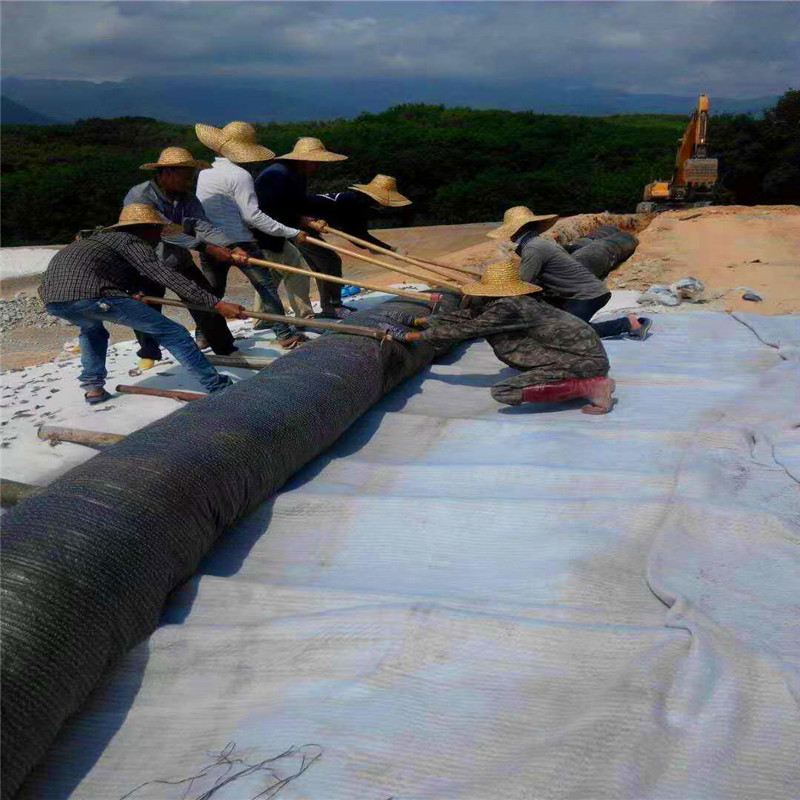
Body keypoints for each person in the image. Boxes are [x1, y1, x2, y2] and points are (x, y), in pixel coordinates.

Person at [39, 204, 247, 404]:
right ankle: (219, 387)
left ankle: (93, 389)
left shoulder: (99, 242)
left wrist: (131, 292)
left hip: (55, 301)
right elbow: (165, 274)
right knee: (174, 333)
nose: (159, 237)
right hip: (93, 295)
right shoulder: (130, 240)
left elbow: (107, 272)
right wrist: (216, 304)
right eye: (158, 230)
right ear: (146, 228)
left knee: (93, 332)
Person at [386, 259, 616, 414]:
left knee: (504, 392)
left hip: (582, 361)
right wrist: (419, 321)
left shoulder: (509, 308)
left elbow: (467, 329)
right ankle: (588, 380)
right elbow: (469, 317)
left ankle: (591, 387)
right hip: (583, 356)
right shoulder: (515, 301)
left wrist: (412, 337)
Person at [124, 146, 248, 369]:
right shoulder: (141, 196)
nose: (188, 182)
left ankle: (225, 347)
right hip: (145, 262)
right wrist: (208, 249)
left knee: (204, 299)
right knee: (146, 308)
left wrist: (230, 246)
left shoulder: (188, 198)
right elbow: (165, 231)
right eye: (184, 177)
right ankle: (149, 353)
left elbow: (202, 225)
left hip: (178, 260)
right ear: (167, 173)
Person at [195, 121, 309, 350]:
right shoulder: (240, 175)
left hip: (209, 242)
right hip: (239, 241)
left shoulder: (204, 173)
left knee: (212, 292)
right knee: (266, 288)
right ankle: (285, 334)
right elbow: (253, 216)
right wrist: (292, 232)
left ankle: (203, 336)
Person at [488, 206, 652, 340]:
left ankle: (628, 324)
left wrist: (494, 293)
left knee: (568, 333)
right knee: (551, 323)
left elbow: (523, 284)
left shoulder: (533, 248)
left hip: (586, 296)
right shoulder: (538, 244)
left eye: (510, 230)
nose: (509, 235)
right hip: (578, 293)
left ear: (519, 229)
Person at [254, 137, 355, 320]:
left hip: (291, 224)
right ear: (303, 159)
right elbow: (268, 209)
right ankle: (330, 307)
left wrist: (314, 220)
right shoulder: (276, 175)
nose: (318, 167)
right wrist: (302, 221)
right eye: (316, 162)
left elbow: (299, 203)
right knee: (327, 260)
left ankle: (263, 316)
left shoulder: (297, 175)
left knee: (283, 269)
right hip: (272, 228)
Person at [308, 174, 412, 254]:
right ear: (374, 197)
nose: (384, 205)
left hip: (309, 225)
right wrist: (390, 249)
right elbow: (355, 234)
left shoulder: (361, 207)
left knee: (326, 262)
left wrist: (383, 249)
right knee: (328, 261)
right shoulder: (348, 201)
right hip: (299, 220)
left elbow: (361, 237)